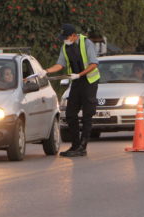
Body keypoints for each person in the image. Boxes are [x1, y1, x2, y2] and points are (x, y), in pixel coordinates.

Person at [42, 23, 100, 157]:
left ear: (74, 36)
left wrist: (80, 74)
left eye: (66, 37)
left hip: (89, 81)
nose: (64, 40)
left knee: (87, 115)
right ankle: (75, 145)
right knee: (70, 114)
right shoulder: (65, 46)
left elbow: (94, 63)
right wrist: (45, 71)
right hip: (76, 82)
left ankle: (82, 147)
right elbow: (60, 64)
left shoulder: (87, 43)